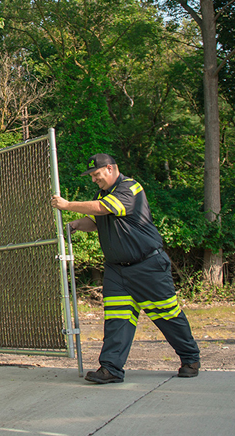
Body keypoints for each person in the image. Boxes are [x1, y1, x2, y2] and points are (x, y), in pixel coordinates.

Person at [50, 153, 200, 384]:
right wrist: (77, 224)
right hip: (117, 270)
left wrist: (68, 205)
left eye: (96, 174)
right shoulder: (103, 195)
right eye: (91, 176)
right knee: (117, 319)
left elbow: (104, 209)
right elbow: (98, 219)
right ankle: (110, 369)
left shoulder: (130, 188)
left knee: (167, 315)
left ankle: (190, 358)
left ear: (110, 169)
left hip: (147, 266)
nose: (93, 180)